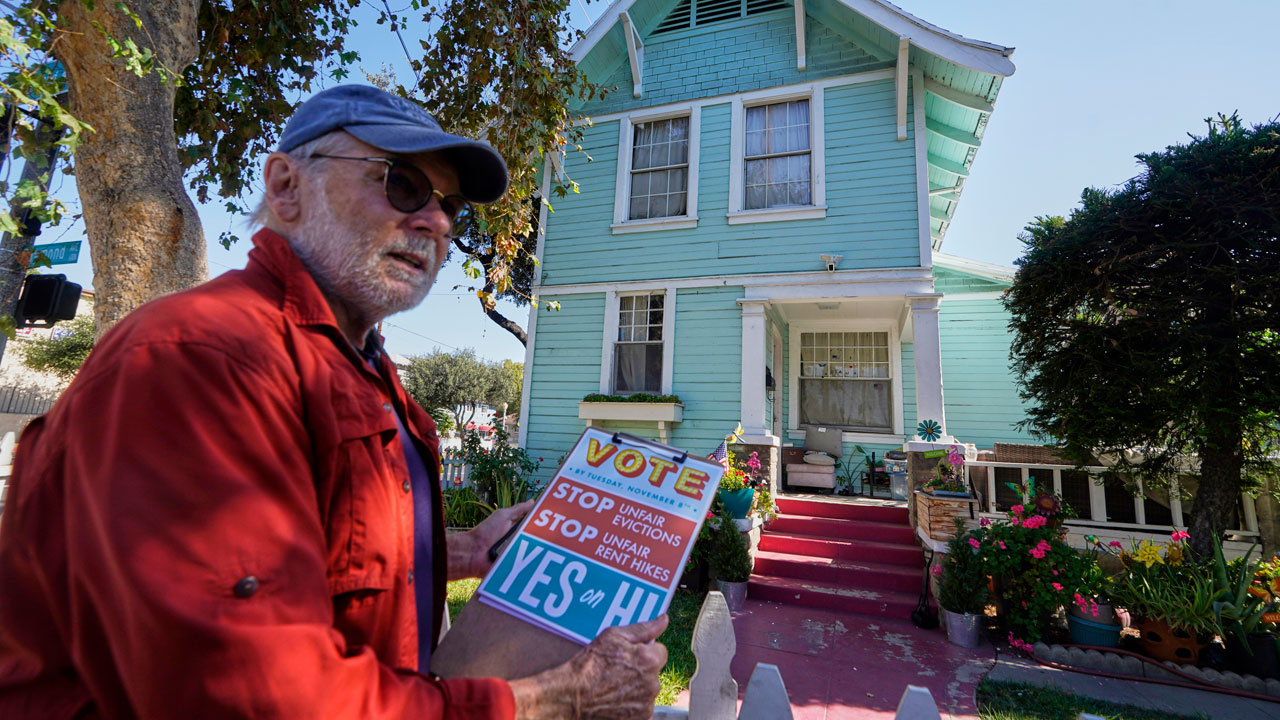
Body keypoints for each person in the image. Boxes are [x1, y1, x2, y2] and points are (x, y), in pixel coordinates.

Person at [0, 85, 667, 719]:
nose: (434, 220)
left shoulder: (365, 371)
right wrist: (555, 699)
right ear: (286, 186)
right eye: (402, 183)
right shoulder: (202, 358)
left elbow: (328, 556)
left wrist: (463, 551)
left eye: (449, 206)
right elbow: (246, 694)